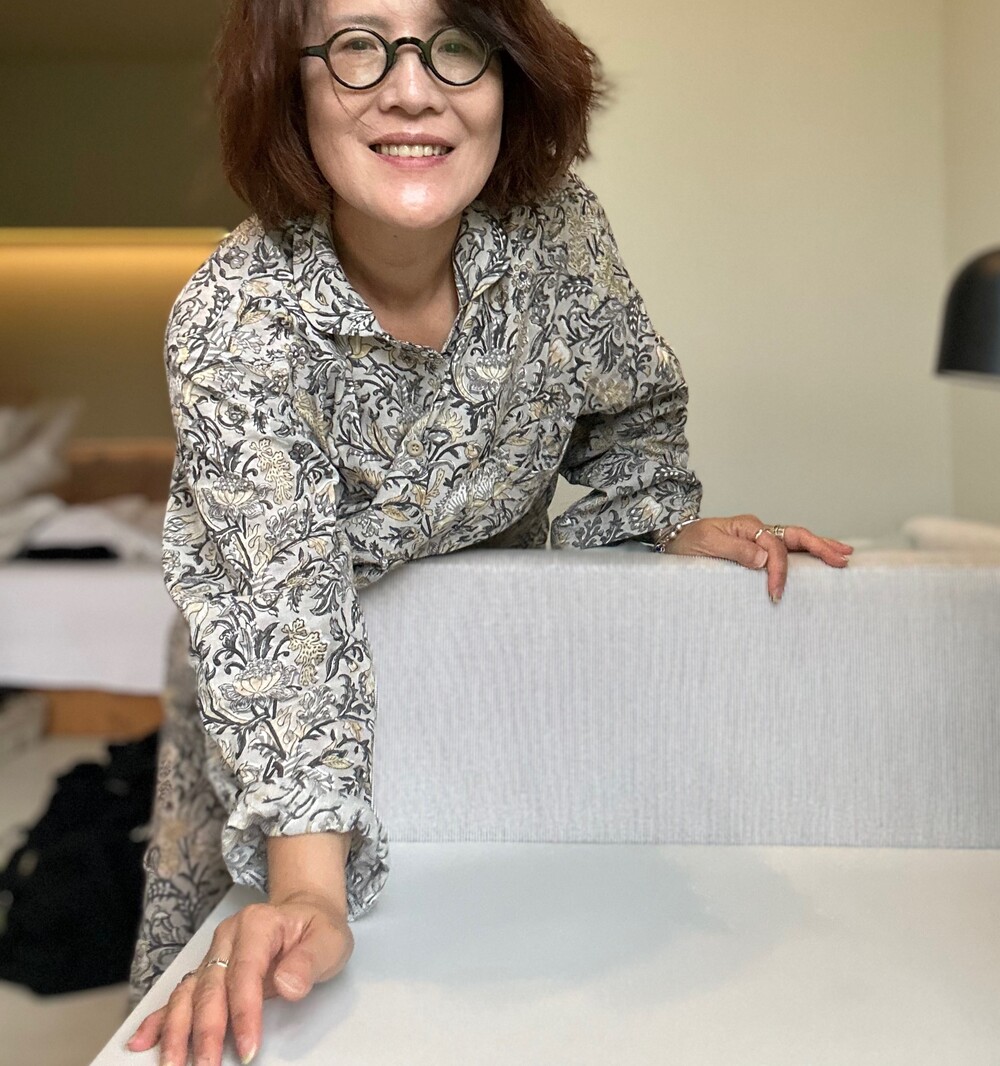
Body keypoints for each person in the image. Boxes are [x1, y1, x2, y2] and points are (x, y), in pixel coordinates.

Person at [126, 0, 853, 1062]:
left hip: (491, 686)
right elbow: (284, 622)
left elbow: (632, 415)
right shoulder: (234, 321)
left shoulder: (559, 236)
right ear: (291, 88)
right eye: (358, 45)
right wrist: (310, 895)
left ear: (509, 77)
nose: (412, 90)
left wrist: (660, 526)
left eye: (455, 45)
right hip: (281, 706)